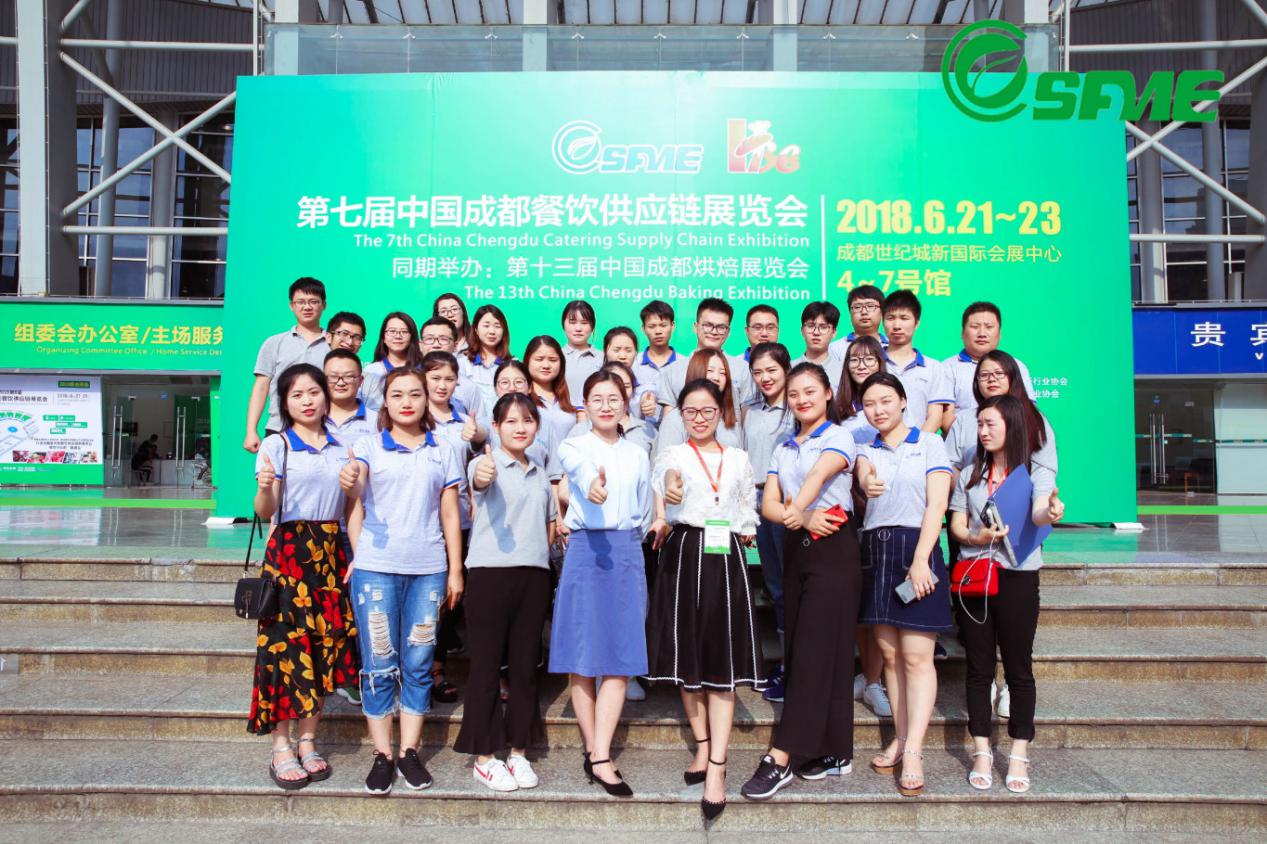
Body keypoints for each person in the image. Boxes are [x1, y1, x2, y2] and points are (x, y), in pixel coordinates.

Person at [339, 368, 465, 796]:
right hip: (376, 569)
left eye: (415, 394)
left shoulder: (443, 448)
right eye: (397, 394)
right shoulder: (368, 446)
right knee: (378, 662)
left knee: (418, 661)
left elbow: (450, 512)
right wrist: (359, 552)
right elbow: (355, 497)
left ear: (427, 399)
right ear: (385, 401)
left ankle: (409, 751)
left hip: (428, 570)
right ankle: (382, 754)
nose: (407, 402)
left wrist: (455, 568)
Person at [741, 363, 861, 801]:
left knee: (814, 652)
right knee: (805, 649)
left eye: (810, 391)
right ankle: (835, 751)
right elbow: (769, 505)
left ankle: (782, 756)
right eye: (794, 394)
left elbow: (819, 476)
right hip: (798, 546)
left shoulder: (839, 436)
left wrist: (799, 511)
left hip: (834, 548)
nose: (801, 399)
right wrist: (802, 517)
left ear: (828, 392)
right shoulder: (783, 447)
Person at [646, 378, 763, 821]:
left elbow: (746, 503)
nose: (699, 418)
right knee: (687, 657)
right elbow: (666, 481)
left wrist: (746, 527)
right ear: (681, 414)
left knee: (721, 663)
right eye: (691, 411)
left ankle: (717, 765)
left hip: (725, 556)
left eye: (707, 411)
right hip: (684, 551)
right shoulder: (673, 455)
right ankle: (702, 743)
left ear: (721, 413)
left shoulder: (738, 458)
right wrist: (670, 491)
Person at [249, 363, 358, 790]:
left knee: (323, 648)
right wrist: (264, 487)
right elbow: (266, 510)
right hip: (289, 556)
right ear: (285, 402)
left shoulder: (342, 446)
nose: (308, 401)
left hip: (329, 553)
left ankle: (309, 741)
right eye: (297, 395)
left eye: (314, 392)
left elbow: (351, 506)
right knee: (285, 652)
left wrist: (356, 553)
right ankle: (281, 746)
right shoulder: (277, 445)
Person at [948, 394, 1064, 796]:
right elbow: (956, 525)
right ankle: (981, 750)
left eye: (990, 424)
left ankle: (1018, 753)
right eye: (980, 424)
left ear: (1012, 427)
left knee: (1019, 668)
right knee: (979, 669)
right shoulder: (969, 475)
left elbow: (1038, 511)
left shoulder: (1031, 474)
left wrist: (1051, 512)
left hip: (1018, 577)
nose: (983, 431)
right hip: (976, 577)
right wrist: (975, 536)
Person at [550, 370, 653, 799]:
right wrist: (592, 486)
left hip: (626, 549)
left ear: (625, 404)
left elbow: (644, 505)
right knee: (582, 654)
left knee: (619, 656)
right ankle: (596, 752)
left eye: (614, 398)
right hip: (585, 550)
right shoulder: (574, 445)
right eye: (597, 398)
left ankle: (600, 751)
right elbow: (580, 471)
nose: (606, 406)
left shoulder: (638, 453)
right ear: (585, 404)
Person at [852, 372, 954, 798]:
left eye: (885, 401)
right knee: (891, 657)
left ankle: (913, 751)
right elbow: (862, 475)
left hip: (917, 547)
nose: (878, 410)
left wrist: (921, 560)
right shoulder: (865, 446)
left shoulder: (928, 443)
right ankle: (901, 735)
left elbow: (938, 504)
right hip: (876, 550)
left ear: (903, 401)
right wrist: (865, 482)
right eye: (869, 403)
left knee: (916, 657)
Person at [454, 393, 557, 793]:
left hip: (533, 576)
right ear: (496, 427)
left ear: (537, 426)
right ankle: (484, 757)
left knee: (524, 668)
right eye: (511, 421)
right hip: (490, 575)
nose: (520, 427)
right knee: (484, 668)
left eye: (527, 420)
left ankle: (518, 752)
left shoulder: (540, 470)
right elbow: (480, 479)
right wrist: (483, 470)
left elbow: (550, 523)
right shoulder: (485, 462)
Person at [421, 350, 487, 705]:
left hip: (458, 521)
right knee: (423, 598)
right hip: (419, 521)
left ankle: (436, 669)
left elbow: (474, 465)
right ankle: (415, 670)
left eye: (449, 379)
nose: (442, 385)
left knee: (450, 598)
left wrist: (474, 438)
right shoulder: (411, 416)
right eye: (435, 378)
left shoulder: (463, 420)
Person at [834, 335, 890, 718]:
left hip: (883, 515)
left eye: (870, 358)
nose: (862, 365)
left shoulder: (890, 407)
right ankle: (864, 676)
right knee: (855, 605)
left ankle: (874, 680)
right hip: (847, 515)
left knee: (877, 607)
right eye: (855, 359)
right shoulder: (837, 412)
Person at [740, 342, 795, 703]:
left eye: (771, 370)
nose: (765, 378)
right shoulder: (750, 410)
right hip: (757, 499)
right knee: (776, 586)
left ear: (786, 369)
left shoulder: (798, 408)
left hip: (789, 502)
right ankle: (788, 663)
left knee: (793, 584)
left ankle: (798, 664)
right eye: (758, 372)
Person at [245, 277, 330, 451]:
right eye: (301, 302)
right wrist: (251, 430)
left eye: (314, 302)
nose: (307, 307)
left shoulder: (333, 344)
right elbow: (261, 387)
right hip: (279, 427)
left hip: (324, 429)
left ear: (324, 305)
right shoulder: (275, 343)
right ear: (291, 305)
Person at [942, 301, 1037, 429]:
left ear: (999, 334)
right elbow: (945, 417)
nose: (982, 333)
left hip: (1011, 439)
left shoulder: (1017, 366)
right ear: (962, 333)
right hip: (962, 439)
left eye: (989, 327)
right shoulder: (946, 368)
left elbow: (1028, 411)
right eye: (975, 326)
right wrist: (966, 439)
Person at [656, 298, 751, 411]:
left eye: (721, 327)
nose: (714, 332)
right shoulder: (673, 371)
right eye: (707, 325)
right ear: (695, 327)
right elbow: (668, 416)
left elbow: (747, 415)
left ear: (728, 332)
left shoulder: (742, 369)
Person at [881, 290, 952, 433]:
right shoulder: (872, 362)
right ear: (883, 322)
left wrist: (917, 443)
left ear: (916, 323)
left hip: (919, 444)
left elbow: (935, 417)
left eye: (904, 318)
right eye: (890, 318)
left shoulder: (933, 367)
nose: (896, 325)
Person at [653, 349, 743, 460]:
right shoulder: (676, 418)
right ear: (696, 371)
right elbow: (664, 463)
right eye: (710, 370)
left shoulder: (728, 415)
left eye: (722, 373)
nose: (716, 377)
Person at [360, 312, 424, 417]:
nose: (398, 336)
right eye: (392, 331)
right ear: (384, 337)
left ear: (412, 337)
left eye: (404, 332)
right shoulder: (371, 371)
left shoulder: (423, 370)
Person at [419, 316, 484, 418]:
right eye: (429, 339)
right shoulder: (406, 381)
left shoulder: (468, 388)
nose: (436, 344)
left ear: (455, 346)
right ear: (420, 345)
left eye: (443, 339)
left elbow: (481, 423)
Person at [524, 335, 582, 448]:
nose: (546, 365)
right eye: (539, 359)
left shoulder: (570, 400)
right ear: (527, 361)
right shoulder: (521, 398)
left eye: (553, 360)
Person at [603, 326, 659, 421]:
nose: (622, 356)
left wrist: (649, 401)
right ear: (605, 351)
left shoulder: (644, 383)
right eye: (616, 350)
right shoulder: (593, 382)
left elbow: (648, 393)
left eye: (628, 350)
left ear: (636, 352)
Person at [463, 304, 512, 412]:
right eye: (486, 326)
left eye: (497, 326)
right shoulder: (463, 362)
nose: (492, 331)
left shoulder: (512, 364)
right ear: (476, 329)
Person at [632, 300, 678, 408]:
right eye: (652, 326)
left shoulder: (684, 364)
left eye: (663, 325)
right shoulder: (633, 363)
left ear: (672, 326)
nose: (658, 331)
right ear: (643, 328)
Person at [324, 349, 375, 443]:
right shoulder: (311, 417)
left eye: (348, 376)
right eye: (333, 376)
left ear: (360, 381)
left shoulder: (377, 422)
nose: (340, 383)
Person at [793, 302, 845, 391]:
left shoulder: (844, 371)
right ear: (802, 330)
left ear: (834, 332)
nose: (816, 332)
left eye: (823, 327)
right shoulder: (789, 368)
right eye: (810, 326)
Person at [828, 284, 888, 358]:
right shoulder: (834, 349)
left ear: (882, 311)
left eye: (870, 306)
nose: (864, 312)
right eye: (857, 307)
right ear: (850, 312)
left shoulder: (892, 346)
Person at [561, 300, 603, 399]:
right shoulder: (555, 356)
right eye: (572, 322)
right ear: (563, 325)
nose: (578, 328)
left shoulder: (603, 358)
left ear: (592, 326)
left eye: (584, 323)